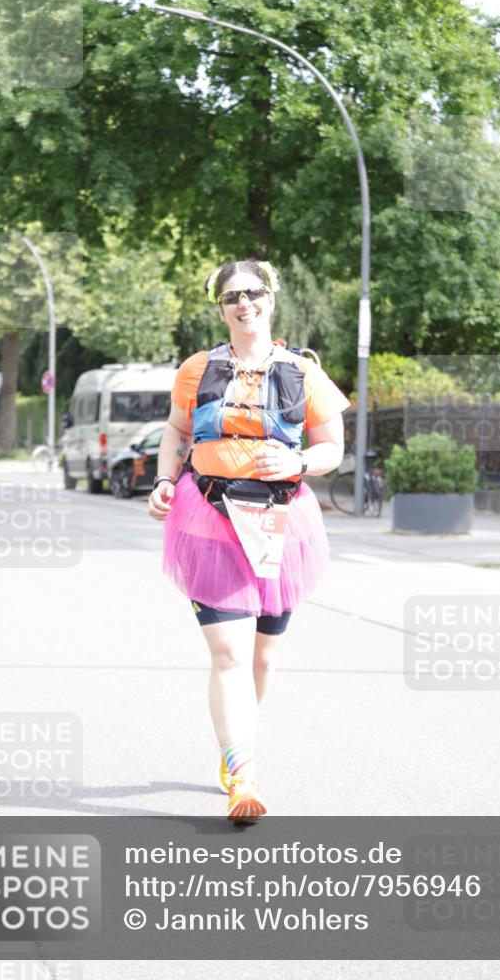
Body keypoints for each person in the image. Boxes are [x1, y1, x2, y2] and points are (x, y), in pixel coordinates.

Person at [148, 259, 350, 822]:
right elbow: (176, 431)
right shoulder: (197, 368)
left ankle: (237, 745)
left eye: (253, 293)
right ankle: (243, 775)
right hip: (206, 516)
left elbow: (333, 445)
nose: (244, 303)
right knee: (230, 653)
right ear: (219, 307)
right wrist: (165, 480)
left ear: (271, 298)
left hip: (278, 519)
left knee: (264, 656)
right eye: (232, 296)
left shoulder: (302, 372)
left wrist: (299, 459)